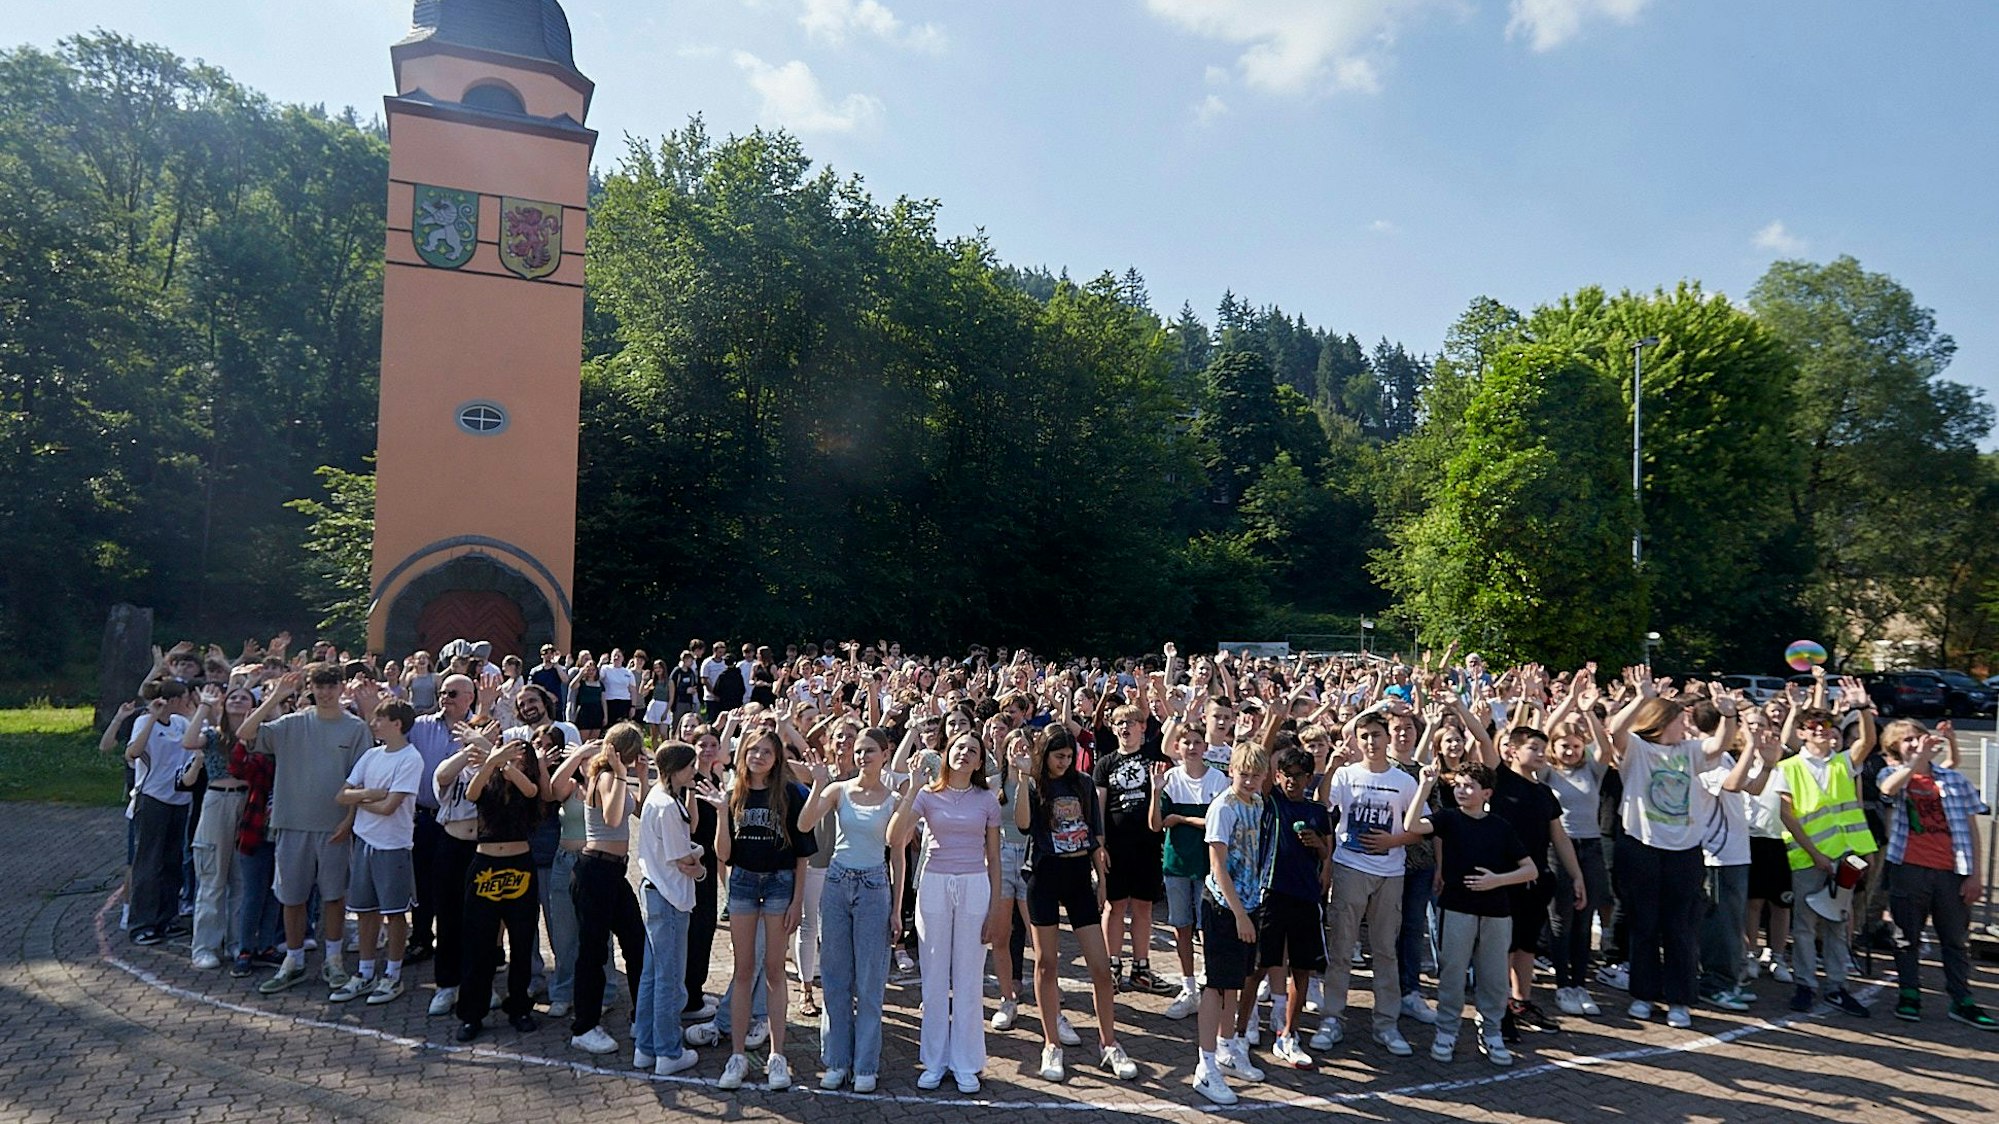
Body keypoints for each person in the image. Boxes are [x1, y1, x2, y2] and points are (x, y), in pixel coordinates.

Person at [1603, 667, 1737, 1028]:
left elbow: (1720, 744)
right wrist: (1641, 697)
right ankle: (1644, 995)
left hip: (1685, 852)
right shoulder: (1639, 749)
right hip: (1640, 848)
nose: (1687, 725)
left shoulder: (1691, 750)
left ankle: (1679, 1000)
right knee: (1643, 925)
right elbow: (1615, 731)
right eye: (1681, 718)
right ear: (1663, 721)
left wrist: (1728, 714)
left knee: (1680, 929)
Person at [1013, 725, 1140, 1084]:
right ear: (1045, 755)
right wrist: (1023, 778)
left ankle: (1109, 1043)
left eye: (1068, 757)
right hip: (1043, 877)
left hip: (1079, 879)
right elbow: (1023, 825)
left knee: (1101, 967)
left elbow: (1096, 835)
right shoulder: (1036, 783)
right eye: (1058, 757)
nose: (1064, 763)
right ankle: (1051, 1042)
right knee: (1047, 963)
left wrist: (1101, 879)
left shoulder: (1082, 783)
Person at [241, 665, 372, 994]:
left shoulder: (356, 728)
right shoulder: (290, 724)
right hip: (292, 824)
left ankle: (333, 960)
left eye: (332, 685)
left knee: (333, 897)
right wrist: (275, 696)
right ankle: (294, 961)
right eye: (320, 686)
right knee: (292, 897)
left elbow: (363, 778)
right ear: (310, 687)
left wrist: (349, 820)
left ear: (342, 687)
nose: (326, 692)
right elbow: (246, 733)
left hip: (334, 827)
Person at [891, 730, 1004, 1093]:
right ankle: (935, 1061)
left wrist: (996, 910)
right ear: (946, 753)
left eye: (973, 750)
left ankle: (967, 1062)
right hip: (934, 885)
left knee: (970, 978)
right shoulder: (926, 795)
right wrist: (912, 787)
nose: (965, 754)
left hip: (975, 886)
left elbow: (995, 861)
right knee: (935, 976)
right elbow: (895, 837)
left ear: (979, 760)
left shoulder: (988, 799)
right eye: (959, 748)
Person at [1402, 760, 1536, 1067]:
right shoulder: (1449, 819)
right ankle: (1446, 1031)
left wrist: (1496, 880)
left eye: (1469, 786)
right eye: (1458, 785)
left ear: (1486, 793)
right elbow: (1412, 826)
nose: (1462, 791)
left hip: (1496, 912)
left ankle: (1491, 1032)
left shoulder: (1500, 826)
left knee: (1493, 978)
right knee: (1452, 973)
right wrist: (1424, 785)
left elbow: (1529, 869)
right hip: (1456, 908)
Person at [1873, 720, 1995, 1028]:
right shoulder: (1892, 774)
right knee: (1906, 937)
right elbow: (1888, 789)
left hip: (1950, 871)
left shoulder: (1953, 780)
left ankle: (1962, 999)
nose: (1915, 744)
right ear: (1894, 747)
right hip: (1909, 867)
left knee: (1955, 939)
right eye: (1907, 741)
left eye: (1918, 738)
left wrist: (1975, 875)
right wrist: (1914, 761)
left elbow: (1971, 829)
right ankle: (1910, 994)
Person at [714, 729, 816, 1092]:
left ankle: (777, 1056)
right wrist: (722, 812)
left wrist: (798, 901)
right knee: (743, 971)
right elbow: (723, 855)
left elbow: (803, 853)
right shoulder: (733, 793)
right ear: (742, 753)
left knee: (775, 970)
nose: (758, 756)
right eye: (752, 750)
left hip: (779, 883)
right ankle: (738, 1055)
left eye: (766, 752)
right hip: (742, 882)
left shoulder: (789, 793)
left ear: (776, 759)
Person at [800, 727, 901, 1092]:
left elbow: (899, 855)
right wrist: (817, 784)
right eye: (858, 751)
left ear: (885, 754)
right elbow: (804, 824)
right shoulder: (838, 790)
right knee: (835, 977)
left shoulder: (893, 797)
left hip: (875, 885)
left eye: (870, 750)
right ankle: (837, 1061)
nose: (862, 756)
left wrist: (896, 907)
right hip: (837, 882)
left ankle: (865, 1066)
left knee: (870, 982)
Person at [1316, 707, 1421, 1056]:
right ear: (1356, 740)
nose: (1371, 741)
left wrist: (1394, 841)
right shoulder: (1345, 775)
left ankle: (1386, 1023)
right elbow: (1322, 803)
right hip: (1350, 868)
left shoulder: (1405, 781)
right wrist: (1331, 767)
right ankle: (1331, 1017)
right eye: (1365, 736)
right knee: (1342, 947)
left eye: (1377, 735)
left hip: (1390, 873)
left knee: (1385, 950)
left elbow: (1420, 827)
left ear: (1388, 738)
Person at [1773, 698, 1875, 1016]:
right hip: (1807, 858)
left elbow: (1868, 741)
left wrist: (1864, 710)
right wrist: (1814, 853)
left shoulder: (1842, 762)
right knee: (1804, 925)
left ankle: (1836, 985)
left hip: (1845, 857)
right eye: (1812, 726)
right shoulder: (1787, 767)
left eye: (1825, 725)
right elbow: (1787, 814)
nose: (1820, 730)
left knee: (1837, 922)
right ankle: (1805, 984)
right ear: (1801, 733)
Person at [451, 726, 548, 1041]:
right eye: (510, 754)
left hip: (520, 867)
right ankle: (471, 1014)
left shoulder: (526, 785)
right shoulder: (488, 778)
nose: (512, 761)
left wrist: (501, 760)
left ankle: (519, 1008)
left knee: (521, 942)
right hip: (485, 868)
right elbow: (471, 793)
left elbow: (532, 791)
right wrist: (491, 761)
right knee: (478, 943)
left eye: (519, 757)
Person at [1191, 742, 1273, 1106]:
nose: (1250, 780)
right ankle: (1205, 1065)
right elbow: (1218, 866)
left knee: (1235, 982)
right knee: (1216, 985)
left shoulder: (1257, 803)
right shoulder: (1223, 807)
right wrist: (1240, 913)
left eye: (1257, 774)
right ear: (1231, 771)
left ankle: (1226, 1047)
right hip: (1224, 907)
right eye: (1244, 774)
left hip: (1249, 903)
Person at [328, 699, 424, 1005]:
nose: (373, 723)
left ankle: (392, 976)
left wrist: (362, 800)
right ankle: (365, 973)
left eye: (380, 719)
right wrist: (369, 794)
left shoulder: (410, 759)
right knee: (366, 911)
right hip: (364, 844)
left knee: (394, 914)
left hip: (393, 847)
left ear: (397, 724)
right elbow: (342, 795)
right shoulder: (371, 755)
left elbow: (389, 807)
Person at [566, 723, 650, 1055]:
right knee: (593, 950)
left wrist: (641, 777)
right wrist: (618, 773)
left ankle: (639, 1014)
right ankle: (584, 1027)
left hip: (613, 872)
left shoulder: (616, 777)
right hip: (594, 871)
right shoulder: (603, 777)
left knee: (636, 942)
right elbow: (614, 819)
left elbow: (638, 811)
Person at [1257, 743, 1333, 1070]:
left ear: (1309, 778)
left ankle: (1289, 1034)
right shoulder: (1271, 801)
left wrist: (1318, 846)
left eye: (1299, 776)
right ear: (1277, 776)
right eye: (1286, 775)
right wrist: (1274, 718)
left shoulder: (1318, 812)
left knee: (1301, 968)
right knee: (1258, 965)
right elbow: (1260, 760)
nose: (1292, 781)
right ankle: (1240, 1026)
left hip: (1305, 898)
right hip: (1271, 894)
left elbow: (1328, 854)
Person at [634, 741, 706, 1076]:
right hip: (670, 897)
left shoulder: (659, 799)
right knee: (669, 979)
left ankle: (646, 1047)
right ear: (676, 768)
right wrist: (701, 859)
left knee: (653, 976)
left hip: (657, 892)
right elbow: (682, 859)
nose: (694, 771)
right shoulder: (665, 803)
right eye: (690, 766)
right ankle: (667, 1051)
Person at [1151, 717, 1229, 1021]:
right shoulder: (1169, 779)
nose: (1192, 747)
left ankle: (1211, 985)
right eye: (1187, 742)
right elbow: (1156, 824)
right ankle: (1189, 987)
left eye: (1198, 742)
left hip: (1209, 868)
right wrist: (1156, 793)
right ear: (1177, 747)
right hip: (1176, 866)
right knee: (1181, 926)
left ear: (1205, 747)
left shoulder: (1219, 781)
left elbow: (1216, 823)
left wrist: (1182, 819)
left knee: (1207, 929)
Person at [1092, 701, 1171, 993]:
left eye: (1131, 723)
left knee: (1143, 906)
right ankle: (1111, 966)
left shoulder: (1153, 758)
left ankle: (1141, 968)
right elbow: (1098, 808)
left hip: (1147, 846)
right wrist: (1098, 847)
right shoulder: (1105, 763)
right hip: (1115, 847)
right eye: (1119, 724)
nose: (1125, 728)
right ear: (1113, 729)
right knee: (1113, 907)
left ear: (1142, 727)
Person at [181, 683, 256, 968]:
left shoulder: (258, 735)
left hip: (248, 803)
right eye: (233, 697)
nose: (238, 700)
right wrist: (204, 706)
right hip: (217, 802)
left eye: (244, 697)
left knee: (241, 880)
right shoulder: (213, 735)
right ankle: (205, 947)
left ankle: (237, 942)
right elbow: (188, 742)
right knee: (212, 878)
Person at [125, 681, 198, 947]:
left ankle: (167, 918)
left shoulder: (179, 723)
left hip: (179, 798)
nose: (187, 701)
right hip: (153, 798)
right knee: (149, 863)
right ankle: (142, 923)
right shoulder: (145, 722)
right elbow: (132, 753)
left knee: (172, 862)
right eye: (183, 698)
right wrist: (153, 716)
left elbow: (197, 738)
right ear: (174, 699)